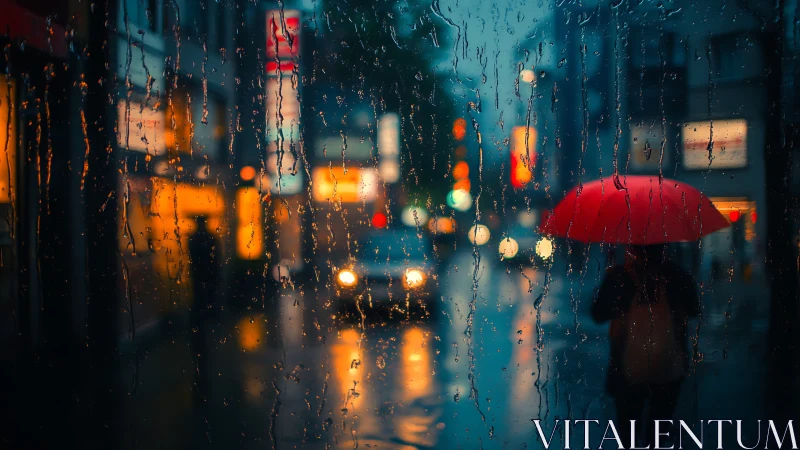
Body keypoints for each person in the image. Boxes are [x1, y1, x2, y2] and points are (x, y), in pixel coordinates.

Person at [592, 245, 699, 447]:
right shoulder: (676, 275)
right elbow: (694, 308)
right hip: (669, 365)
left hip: (626, 369)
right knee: (658, 431)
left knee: (628, 432)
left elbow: (598, 313)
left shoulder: (619, 276)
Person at [187, 215, 221, 444]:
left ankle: (200, 344)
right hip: (205, 282)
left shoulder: (194, 239)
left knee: (199, 312)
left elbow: (195, 260)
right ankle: (203, 342)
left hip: (200, 282)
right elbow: (215, 261)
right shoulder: (210, 239)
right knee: (203, 312)